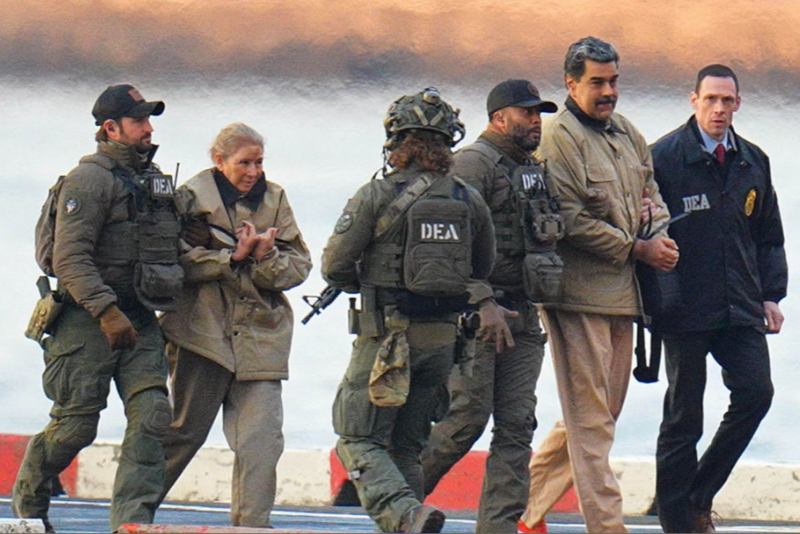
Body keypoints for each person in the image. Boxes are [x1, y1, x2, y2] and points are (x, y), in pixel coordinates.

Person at [321, 87, 507, 533]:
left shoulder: (376, 196)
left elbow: (334, 266)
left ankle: (406, 515)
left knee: (358, 437)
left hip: (387, 338)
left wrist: (367, 279)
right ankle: (414, 518)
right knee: (407, 445)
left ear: (396, 141)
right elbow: (482, 267)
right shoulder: (467, 199)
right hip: (441, 342)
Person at [13, 84, 181, 532]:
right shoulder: (89, 180)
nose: (148, 129)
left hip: (140, 318)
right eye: (139, 120)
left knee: (153, 416)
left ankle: (132, 523)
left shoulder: (154, 179)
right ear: (111, 128)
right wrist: (106, 312)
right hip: (86, 321)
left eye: (150, 120)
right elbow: (70, 258)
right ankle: (30, 497)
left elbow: (172, 243)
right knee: (75, 428)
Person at [537, 37, 679, 533]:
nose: (608, 91)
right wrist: (636, 247)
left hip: (626, 297)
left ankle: (526, 511)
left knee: (597, 417)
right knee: (592, 423)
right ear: (571, 83)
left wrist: (658, 234)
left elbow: (652, 196)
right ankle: (607, 527)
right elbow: (570, 219)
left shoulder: (627, 134)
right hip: (576, 296)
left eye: (614, 80)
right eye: (597, 82)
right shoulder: (558, 137)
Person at [419, 79, 561, 533]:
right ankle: (396, 503)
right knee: (466, 419)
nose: (535, 120)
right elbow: (446, 247)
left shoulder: (532, 168)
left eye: (538, 113)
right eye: (526, 113)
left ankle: (498, 527)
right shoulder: (473, 165)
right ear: (499, 118)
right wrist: (480, 301)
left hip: (523, 312)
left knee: (518, 426)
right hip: (478, 315)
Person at [650, 64, 787, 533]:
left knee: (756, 392)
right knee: (683, 420)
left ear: (737, 105)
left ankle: (698, 497)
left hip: (741, 305)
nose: (719, 109)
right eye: (710, 99)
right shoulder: (663, 158)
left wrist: (771, 295)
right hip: (684, 307)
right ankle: (676, 523)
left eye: (727, 101)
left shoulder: (753, 160)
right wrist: (656, 304)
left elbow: (768, 236)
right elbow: (646, 233)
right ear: (694, 100)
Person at [156, 122, 312, 528]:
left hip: (261, 336)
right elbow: (171, 263)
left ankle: (251, 526)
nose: (253, 171)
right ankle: (132, 512)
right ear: (219, 160)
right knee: (181, 435)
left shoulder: (275, 199)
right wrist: (230, 258)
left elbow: (300, 266)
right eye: (244, 162)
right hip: (201, 334)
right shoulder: (188, 198)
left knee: (261, 443)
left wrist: (263, 257)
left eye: (259, 162)